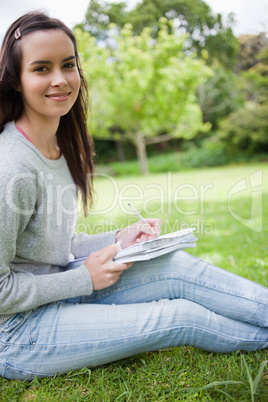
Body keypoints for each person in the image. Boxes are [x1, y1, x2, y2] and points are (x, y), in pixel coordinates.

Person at [0, 11, 267, 381]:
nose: (60, 80)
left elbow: (48, 245)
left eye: (69, 65)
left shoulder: (58, 146)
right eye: (41, 68)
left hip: (56, 293)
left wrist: (118, 239)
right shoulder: (9, 165)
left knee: (176, 266)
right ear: (16, 80)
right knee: (180, 316)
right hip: (16, 334)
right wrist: (84, 279)